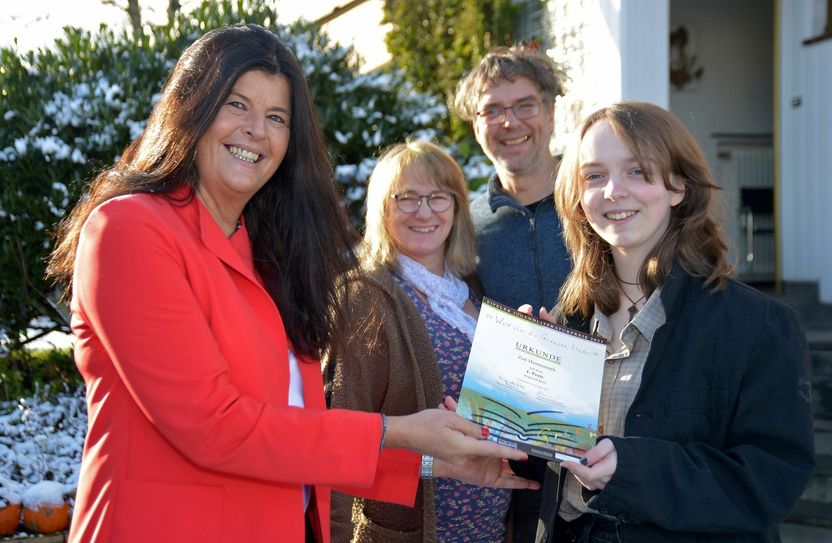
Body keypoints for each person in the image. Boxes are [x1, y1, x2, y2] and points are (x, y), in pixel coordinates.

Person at [46, 25, 538, 543]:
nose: (257, 130)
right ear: (190, 107)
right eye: (236, 104)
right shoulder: (131, 229)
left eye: (277, 117)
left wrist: (433, 463)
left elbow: (293, 429)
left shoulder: (266, 254)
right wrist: (395, 431)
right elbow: (214, 427)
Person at [518, 101, 815, 542]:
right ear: (578, 198)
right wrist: (516, 391)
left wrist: (631, 470)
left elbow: (769, 482)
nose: (614, 190)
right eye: (594, 175)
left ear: (678, 186)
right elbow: (546, 476)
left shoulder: (758, 327)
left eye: (637, 171)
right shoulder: (566, 324)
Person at [324, 140, 512, 542]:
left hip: (490, 530)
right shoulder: (366, 296)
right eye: (406, 198)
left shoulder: (472, 292)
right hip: (412, 532)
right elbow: (338, 439)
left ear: (457, 207)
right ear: (382, 209)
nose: (424, 212)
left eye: (438, 197)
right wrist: (430, 464)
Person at [452, 44, 572, 541]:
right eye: (492, 110)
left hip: (615, 438)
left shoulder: (597, 202)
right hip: (514, 456)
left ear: (549, 110)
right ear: (475, 124)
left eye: (524, 105)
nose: (510, 122)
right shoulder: (463, 225)